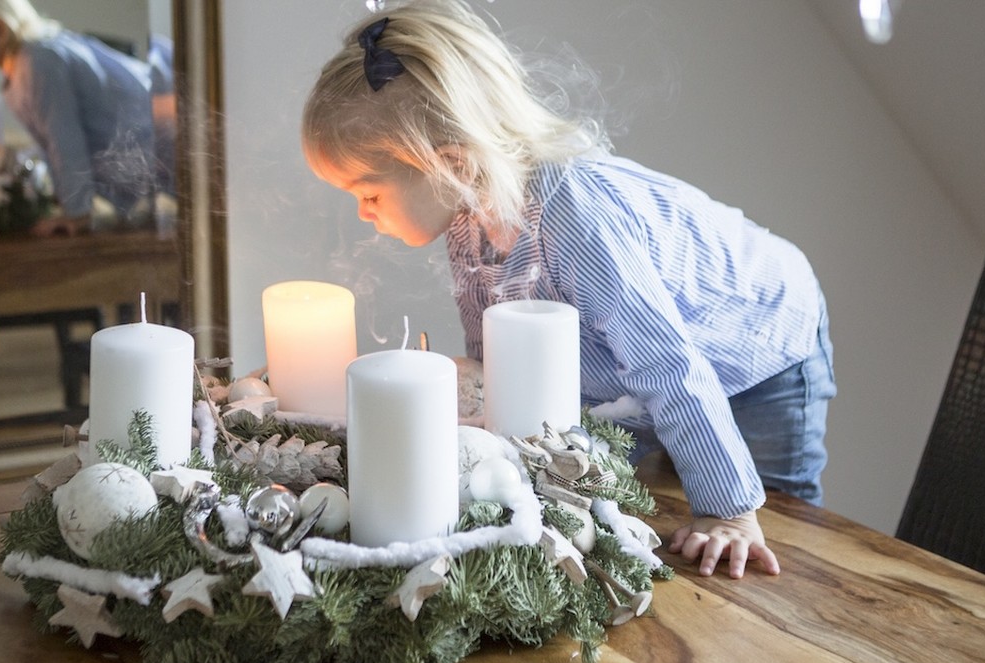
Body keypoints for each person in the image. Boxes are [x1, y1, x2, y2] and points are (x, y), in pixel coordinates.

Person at [302, 0, 835, 579]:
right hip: (635, 377)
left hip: (758, 341)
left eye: (369, 193)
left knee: (768, 530)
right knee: (621, 495)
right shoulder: (466, 219)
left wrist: (728, 510)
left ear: (450, 166)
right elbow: (501, 353)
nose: (361, 213)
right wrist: (465, 383)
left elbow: (668, 366)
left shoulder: (576, 218)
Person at [0, 0, 174, 236]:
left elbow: (65, 140)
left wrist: (77, 213)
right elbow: (52, 143)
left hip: (162, 139)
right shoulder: (22, 67)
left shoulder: (38, 62)